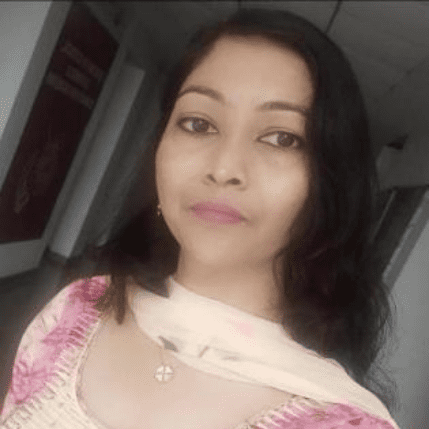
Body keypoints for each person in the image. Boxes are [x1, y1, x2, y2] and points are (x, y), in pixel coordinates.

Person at [1, 7, 401, 429]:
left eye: (281, 138)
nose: (224, 168)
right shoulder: (77, 310)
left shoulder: (342, 421)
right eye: (198, 124)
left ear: (329, 183)